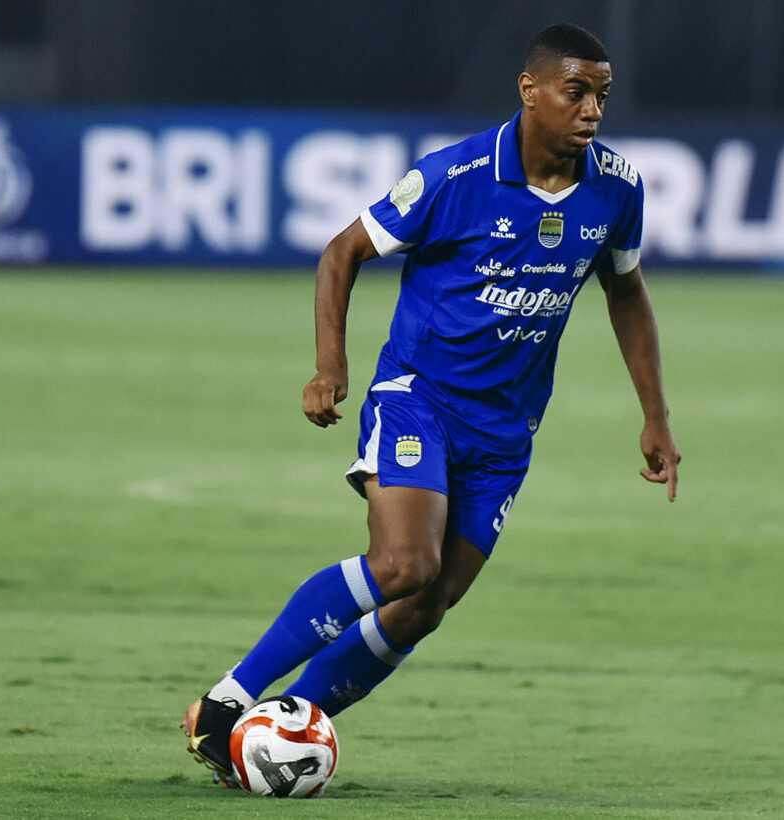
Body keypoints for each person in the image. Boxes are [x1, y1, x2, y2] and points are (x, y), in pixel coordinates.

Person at [181, 21, 680, 785]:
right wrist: (329, 366)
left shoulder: (616, 186)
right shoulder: (455, 175)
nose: (591, 111)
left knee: (429, 602)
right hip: (419, 399)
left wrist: (655, 414)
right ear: (530, 90)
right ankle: (226, 703)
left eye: (601, 97)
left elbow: (626, 291)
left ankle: (276, 728)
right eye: (575, 92)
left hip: (506, 431)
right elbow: (342, 251)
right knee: (403, 564)